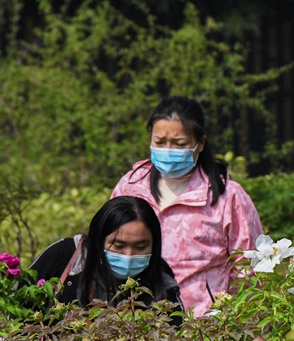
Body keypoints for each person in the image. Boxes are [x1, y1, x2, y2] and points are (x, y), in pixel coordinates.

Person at [112, 96, 263, 316]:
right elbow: (105, 245)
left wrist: (244, 323)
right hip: (138, 324)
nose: (168, 149)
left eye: (179, 144)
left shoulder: (227, 197)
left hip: (205, 329)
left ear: (200, 144)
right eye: (160, 142)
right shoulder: (131, 186)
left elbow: (249, 268)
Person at [30, 196, 184, 317]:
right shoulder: (64, 255)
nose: (129, 255)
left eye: (141, 246)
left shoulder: (163, 285)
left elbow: (178, 340)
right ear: (98, 240)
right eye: (118, 245)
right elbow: (18, 308)